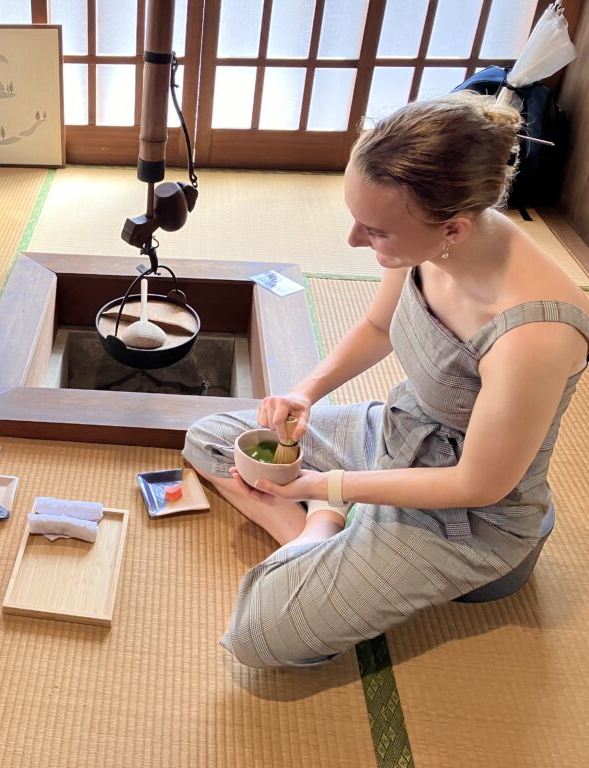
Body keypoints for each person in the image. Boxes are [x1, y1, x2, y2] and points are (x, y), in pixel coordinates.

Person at [183, 92, 589, 669]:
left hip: (468, 512)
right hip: (397, 431)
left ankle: (323, 524)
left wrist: (329, 487)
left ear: (454, 227)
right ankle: (314, 532)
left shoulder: (535, 332)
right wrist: (307, 391)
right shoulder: (430, 247)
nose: (353, 241)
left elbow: (477, 485)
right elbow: (379, 325)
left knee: (258, 634)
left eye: (373, 231)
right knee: (212, 438)